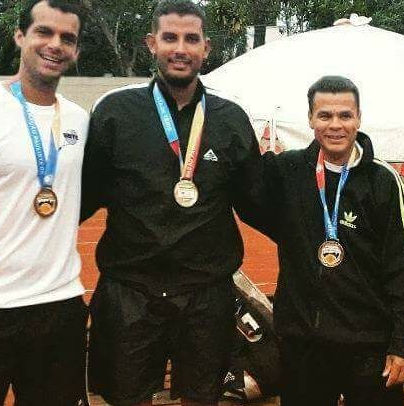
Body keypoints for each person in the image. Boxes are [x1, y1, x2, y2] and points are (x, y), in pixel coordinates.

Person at [80, 1, 265, 405]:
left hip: (206, 296)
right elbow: (82, 198)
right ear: (152, 43)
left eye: (191, 39)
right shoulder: (114, 112)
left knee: (204, 398)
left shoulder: (230, 118)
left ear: (206, 48)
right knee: (125, 399)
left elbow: (258, 202)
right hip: (130, 292)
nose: (180, 49)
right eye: (170, 38)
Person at [258, 75, 404, 405]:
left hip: (370, 347)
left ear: (359, 118)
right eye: (325, 115)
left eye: (345, 115)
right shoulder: (287, 171)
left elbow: (403, 268)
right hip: (304, 346)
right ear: (310, 119)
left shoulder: (382, 180)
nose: (335, 125)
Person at [0, 0, 88, 405]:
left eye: (67, 38)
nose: (55, 44)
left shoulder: (79, 120)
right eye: (44, 32)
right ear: (20, 36)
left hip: (58, 305)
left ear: (76, 51)